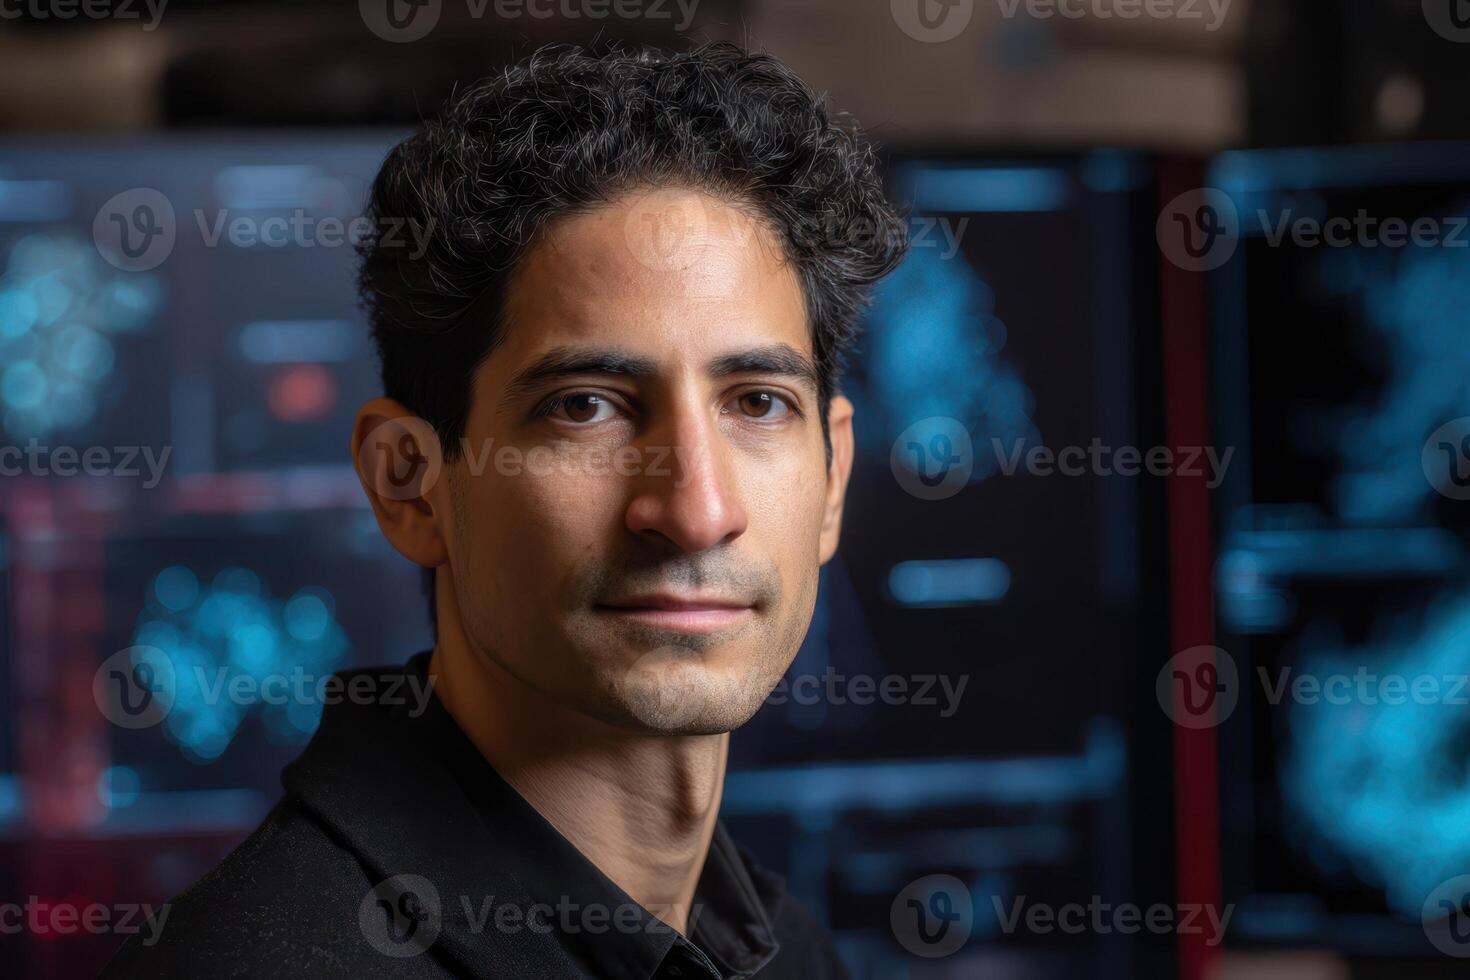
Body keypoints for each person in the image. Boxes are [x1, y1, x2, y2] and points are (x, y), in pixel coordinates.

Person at [104, 41, 906, 978]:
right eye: (586, 406)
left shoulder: (788, 956)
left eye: (758, 402)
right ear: (410, 482)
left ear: (833, 476)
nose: (697, 509)